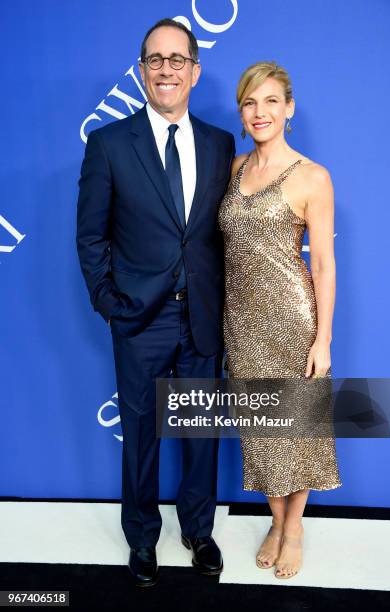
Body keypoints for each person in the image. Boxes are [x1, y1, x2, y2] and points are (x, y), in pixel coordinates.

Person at [76, 18, 235, 587]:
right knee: (140, 433)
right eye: (154, 59)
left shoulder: (221, 143)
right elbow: (91, 236)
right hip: (138, 319)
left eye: (176, 59)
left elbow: (217, 235)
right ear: (142, 70)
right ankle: (141, 536)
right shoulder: (110, 143)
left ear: (195, 70)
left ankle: (198, 530)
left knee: (198, 433)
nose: (165, 69)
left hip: (200, 319)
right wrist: (109, 302)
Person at [218, 61, 342, 579]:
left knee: (299, 430)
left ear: (289, 109)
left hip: (293, 319)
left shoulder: (313, 176)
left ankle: (294, 528)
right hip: (241, 323)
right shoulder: (235, 168)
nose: (260, 112)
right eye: (250, 102)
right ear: (242, 112)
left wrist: (323, 339)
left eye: (271, 101)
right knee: (261, 432)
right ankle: (275, 517)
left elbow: (322, 263)